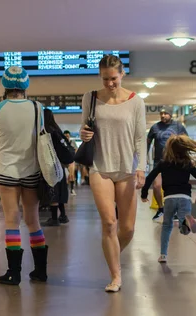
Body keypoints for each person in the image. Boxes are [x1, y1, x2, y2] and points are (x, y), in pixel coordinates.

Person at [80, 55, 147, 293]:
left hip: (127, 168)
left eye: (114, 78)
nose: (110, 83)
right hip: (100, 167)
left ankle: (111, 251)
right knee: (109, 223)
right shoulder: (90, 98)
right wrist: (84, 134)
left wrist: (141, 168)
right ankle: (116, 276)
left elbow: (141, 137)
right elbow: (85, 128)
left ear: (122, 74)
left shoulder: (135, 101)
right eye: (106, 79)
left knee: (127, 229)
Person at [0, 66, 48, 285]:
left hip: (7, 172)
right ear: (25, 86)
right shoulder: (37, 108)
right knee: (33, 220)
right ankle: (40, 271)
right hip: (32, 170)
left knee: (12, 220)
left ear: (5, 85)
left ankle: (13, 273)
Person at [141, 135, 196, 264]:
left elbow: (150, 178)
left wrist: (144, 194)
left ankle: (163, 255)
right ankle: (186, 221)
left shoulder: (164, 163)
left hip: (169, 198)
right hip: (185, 197)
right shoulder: (187, 163)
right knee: (183, 225)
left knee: (166, 226)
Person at [146, 110, 188, 221]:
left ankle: (175, 211)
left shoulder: (179, 126)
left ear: (170, 115)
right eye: (161, 114)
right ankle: (161, 208)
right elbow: (148, 143)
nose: (163, 115)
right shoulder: (155, 127)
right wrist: (144, 157)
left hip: (175, 162)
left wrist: (186, 156)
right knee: (156, 186)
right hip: (159, 161)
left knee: (174, 187)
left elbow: (186, 141)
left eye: (165, 113)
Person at [42, 109, 74, 226]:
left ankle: (54, 218)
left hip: (51, 164)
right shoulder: (57, 129)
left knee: (53, 190)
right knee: (60, 190)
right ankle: (63, 216)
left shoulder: (46, 131)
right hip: (60, 164)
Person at [64, 130, 78, 195]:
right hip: (64, 161)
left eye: (67, 136)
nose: (67, 137)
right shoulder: (62, 142)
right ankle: (65, 190)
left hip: (71, 161)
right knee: (66, 176)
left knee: (71, 175)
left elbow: (76, 150)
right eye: (65, 136)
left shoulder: (72, 142)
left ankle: (72, 189)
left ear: (69, 136)